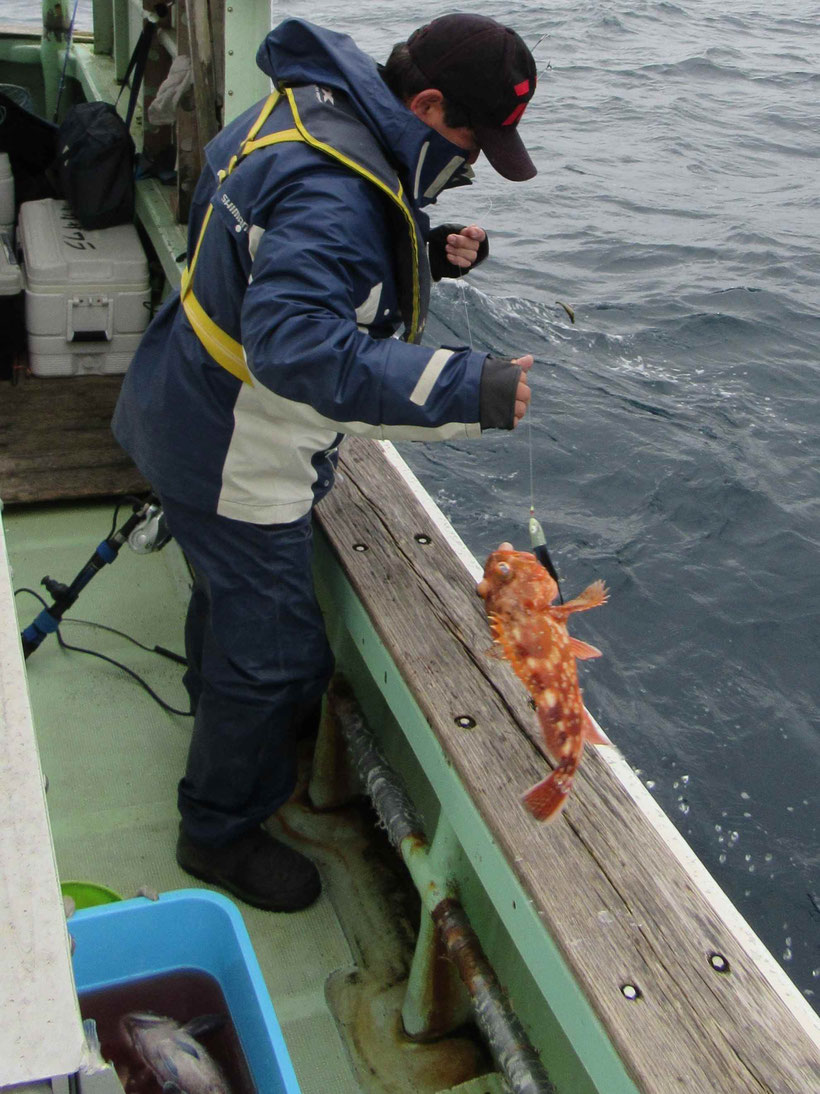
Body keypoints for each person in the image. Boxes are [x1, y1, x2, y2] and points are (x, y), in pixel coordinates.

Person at [112, 13, 538, 912]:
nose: (469, 160)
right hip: (234, 449)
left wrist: (421, 252)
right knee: (276, 657)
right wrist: (474, 391)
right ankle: (218, 829)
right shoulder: (337, 194)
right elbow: (299, 349)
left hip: (179, 398)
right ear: (424, 103)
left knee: (228, 607)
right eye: (469, 138)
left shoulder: (309, 108)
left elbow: (275, 254)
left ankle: (214, 700)